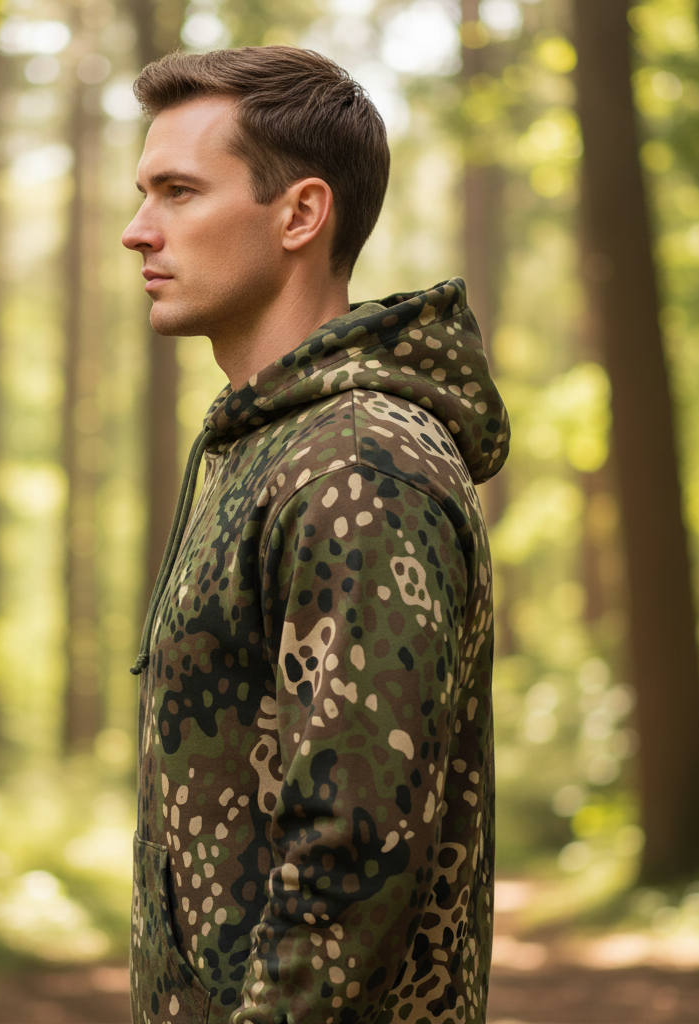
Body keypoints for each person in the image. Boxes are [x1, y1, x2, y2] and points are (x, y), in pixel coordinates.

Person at [121, 45, 508, 1024]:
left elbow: (352, 847)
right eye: (143, 193)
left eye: (176, 191)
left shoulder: (354, 468)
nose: (137, 231)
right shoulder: (274, 449)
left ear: (299, 213)